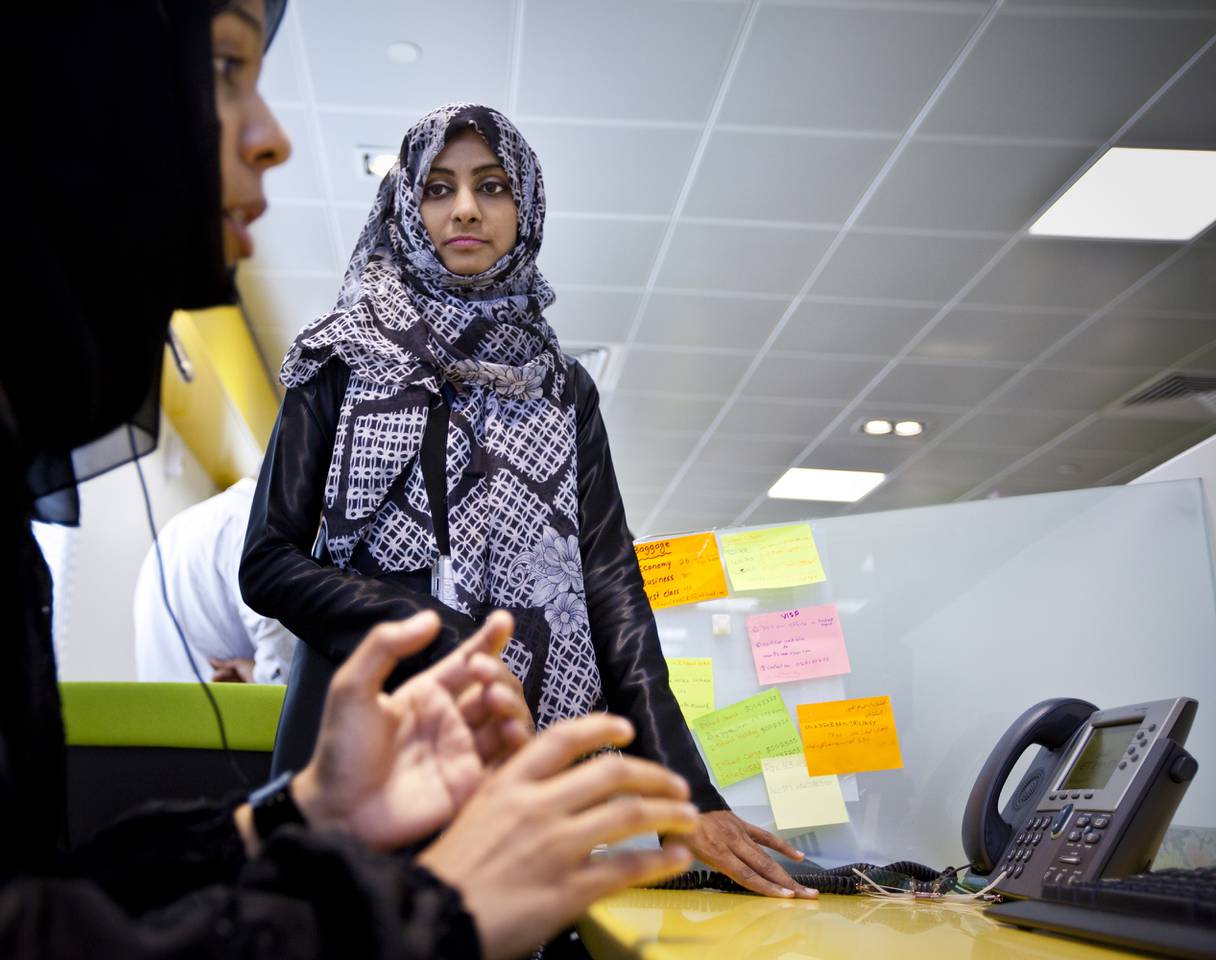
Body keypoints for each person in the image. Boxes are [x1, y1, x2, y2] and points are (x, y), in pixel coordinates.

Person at [0, 1, 701, 955]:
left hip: (419, 771)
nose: (271, 138)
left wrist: (286, 818)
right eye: (223, 68)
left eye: (493, 186)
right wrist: (416, 917)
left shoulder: (561, 385)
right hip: (387, 744)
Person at [241, 102, 820, 899]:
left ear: (527, 208)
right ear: (407, 207)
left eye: (492, 186)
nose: (466, 208)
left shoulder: (560, 388)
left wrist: (687, 798)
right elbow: (267, 562)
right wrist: (439, 635)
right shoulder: (340, 358)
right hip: (359, 750)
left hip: (518, 757)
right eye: (438, 188)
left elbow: (613, 593)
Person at [135, 478, 298, 683]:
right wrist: (256, 674)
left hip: (158, 709)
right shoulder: (258, 529)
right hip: (223, 710)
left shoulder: (178, 528)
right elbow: (286, 673)